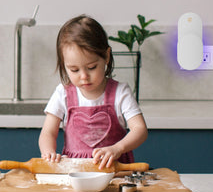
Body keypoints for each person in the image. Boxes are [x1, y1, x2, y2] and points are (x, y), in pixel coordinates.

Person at [38, 15, 148, 169]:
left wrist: (118, 148)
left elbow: (140, 129)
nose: (84, 76)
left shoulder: (120, 93)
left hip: (115, 172)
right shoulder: (63, 93)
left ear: (107, 56)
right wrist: (48, 152)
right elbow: (48, 132)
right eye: (74, 70)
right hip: (74, 172)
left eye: (91, 67)